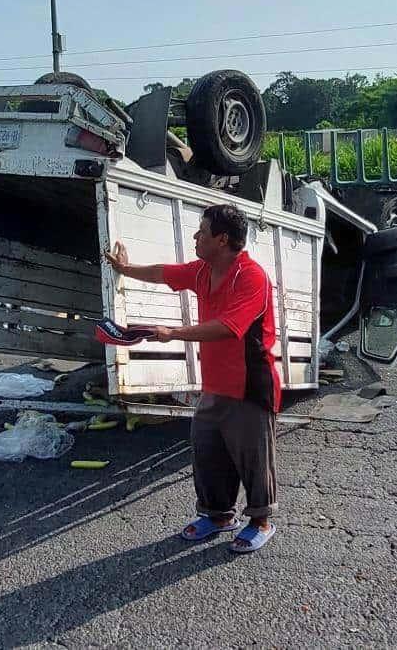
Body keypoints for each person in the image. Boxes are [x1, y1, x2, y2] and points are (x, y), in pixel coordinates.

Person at [104, 204, 281, 554]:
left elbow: (229, 328)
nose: (196, 237)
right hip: (215, 384)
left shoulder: (250, 276)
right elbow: (163, 273)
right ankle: (218, 516)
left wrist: (173, 333)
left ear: (223, 238)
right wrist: (124, 268)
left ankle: (261, 520)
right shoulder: (203, 271)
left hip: (249, 386)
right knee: (208, 451)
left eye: (202, 231)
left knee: (254, 458)